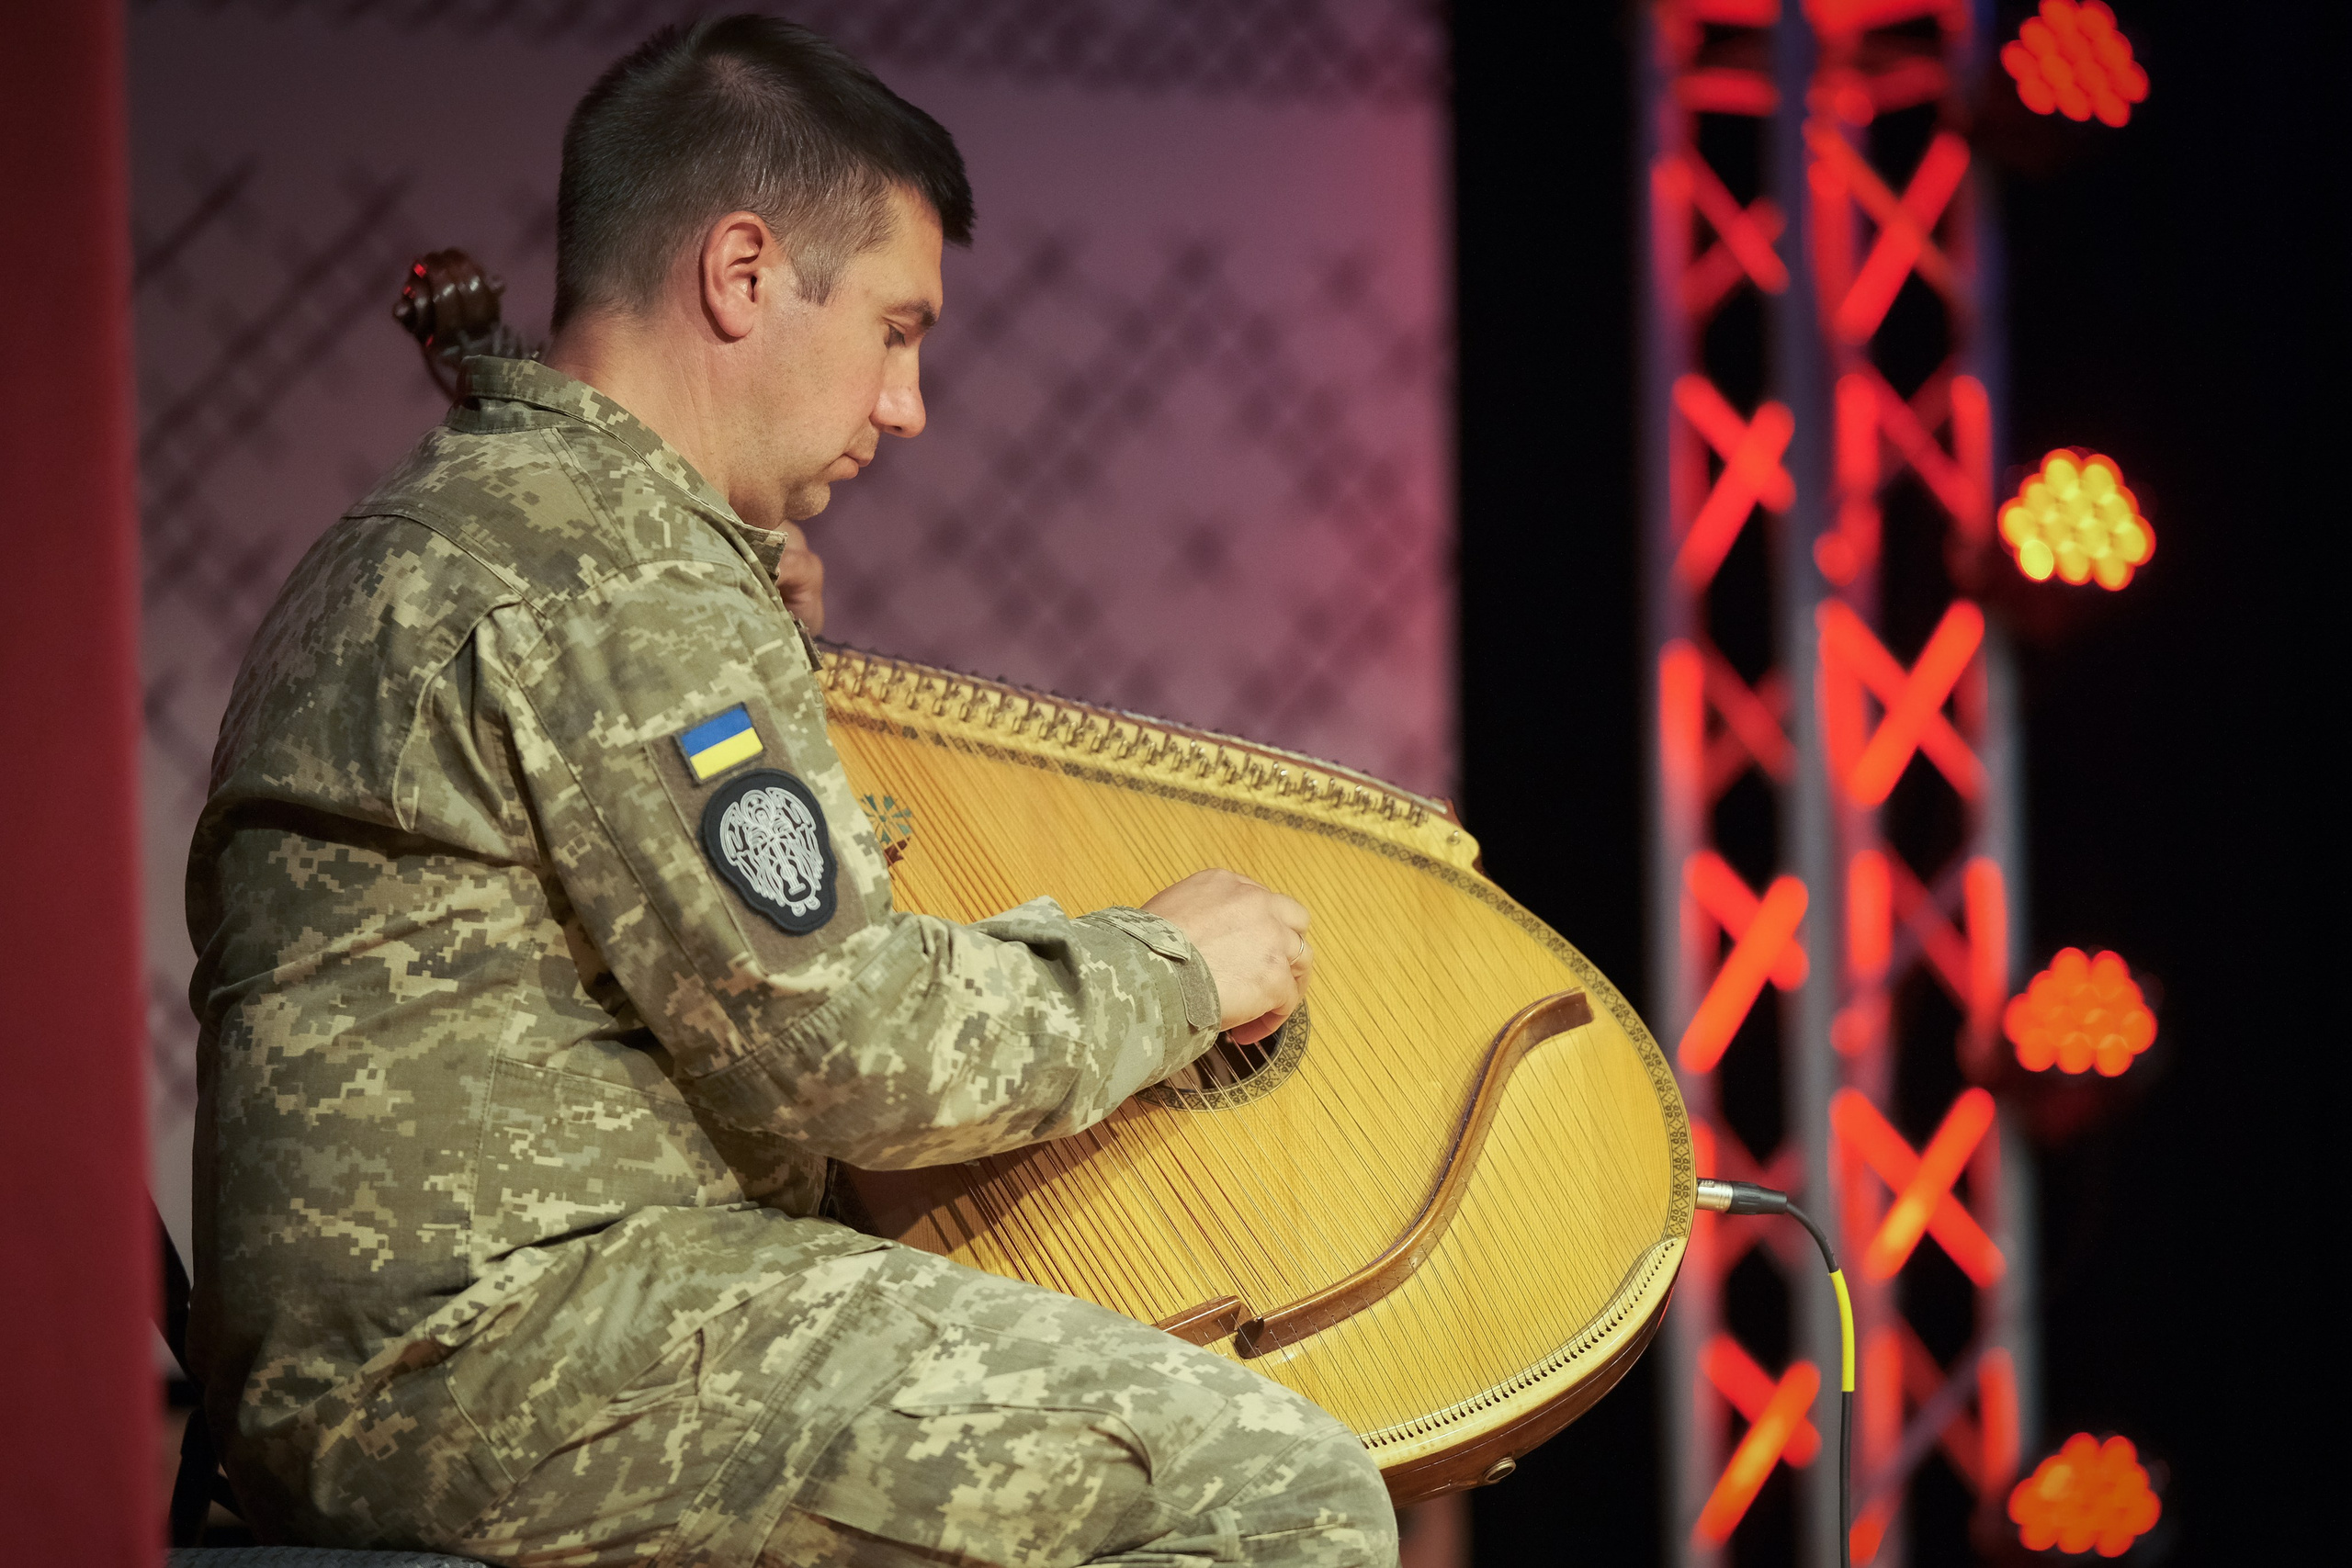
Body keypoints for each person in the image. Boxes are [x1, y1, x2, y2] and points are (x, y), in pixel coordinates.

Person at [185, 14, 1397, 1568]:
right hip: (484, 1356)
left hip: (416, 1356)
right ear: (743, 273)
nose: (908, 405)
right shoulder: (610, 569)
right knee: (1277, 1492)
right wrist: (1175, 970)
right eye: (897, 328)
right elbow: (849, 1041)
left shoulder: (492, 529)